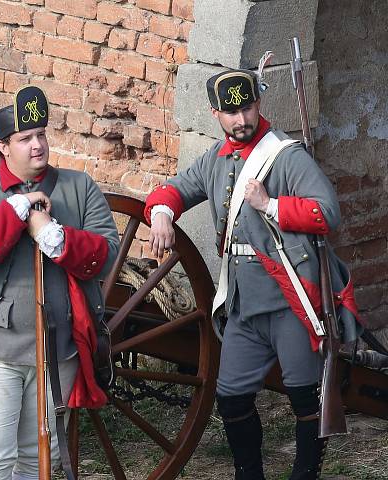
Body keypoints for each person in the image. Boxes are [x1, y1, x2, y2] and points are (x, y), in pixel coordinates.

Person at [145, 69, 360, 480]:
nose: (240, 119)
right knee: (231, 398)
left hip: (289, 299)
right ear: (215, 113)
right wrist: (161, 213)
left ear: (258, 104)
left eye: (246, 108)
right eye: (230, 112)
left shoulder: (286, 156)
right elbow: (174, 189)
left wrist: (271, 205)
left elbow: (326, 211)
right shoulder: (216, 159)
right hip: (243, 303)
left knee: (305, 401)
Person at [0, 86, 120, 480]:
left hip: (58, 351)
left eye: (42, 135)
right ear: (2, 147)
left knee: (36, 461)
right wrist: (15, 212)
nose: (38, 146)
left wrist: (54, 235)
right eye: (25, 139)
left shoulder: (78, 187)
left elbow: (107, 252)